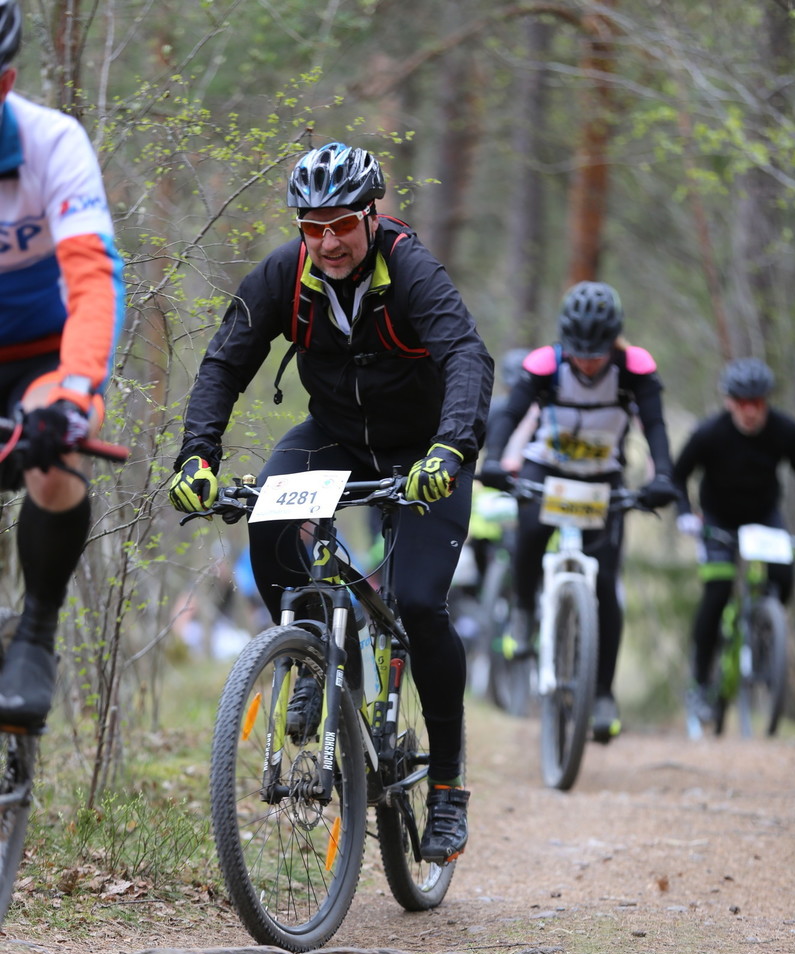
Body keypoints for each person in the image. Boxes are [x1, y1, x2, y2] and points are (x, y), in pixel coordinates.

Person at [169, 141, 493, 864]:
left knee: (418, 603)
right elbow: (225, 360)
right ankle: (312, 650)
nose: (328, 241)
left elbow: (467, 355)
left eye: (341, 223)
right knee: (271, 518)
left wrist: (450, 448)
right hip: (336, 439)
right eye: (312, 227)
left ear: (371, 216)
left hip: (423, 452)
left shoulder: (410, 270)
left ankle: (445, 784)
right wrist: (198, 455)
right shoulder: (287, 275)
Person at [0, 0, 125, 728]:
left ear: (7, 78)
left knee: (53, 461)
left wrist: (70, 398)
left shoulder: (53, 144)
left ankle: (36, 634)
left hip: (47, 355)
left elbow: (93, 282)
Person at [481, 280, 677, 741]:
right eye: (579, 352)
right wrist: (493, 460)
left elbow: (655, 425)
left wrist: (663, 476)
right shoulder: (544, 364)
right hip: (546, 469)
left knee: (606, 581)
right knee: (529, 533)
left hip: (602, 480)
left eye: (598, 353)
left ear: (614, 342)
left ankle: (603, 693)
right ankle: (526, 610)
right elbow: (509, 415)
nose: (588, 362)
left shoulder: (635, 368)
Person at [673, 356, 795, 724]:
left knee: (783, 576)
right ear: (729, 402)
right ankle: (699, 681)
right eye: (742, 403)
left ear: (766, 402)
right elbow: (678, 476)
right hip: (717, 521)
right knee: (717, 590)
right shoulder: (709, 433)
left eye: (757, 403)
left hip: (763, 517)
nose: (750, 412)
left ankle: (764, 633)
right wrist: (685, 513)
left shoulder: (784, 430)